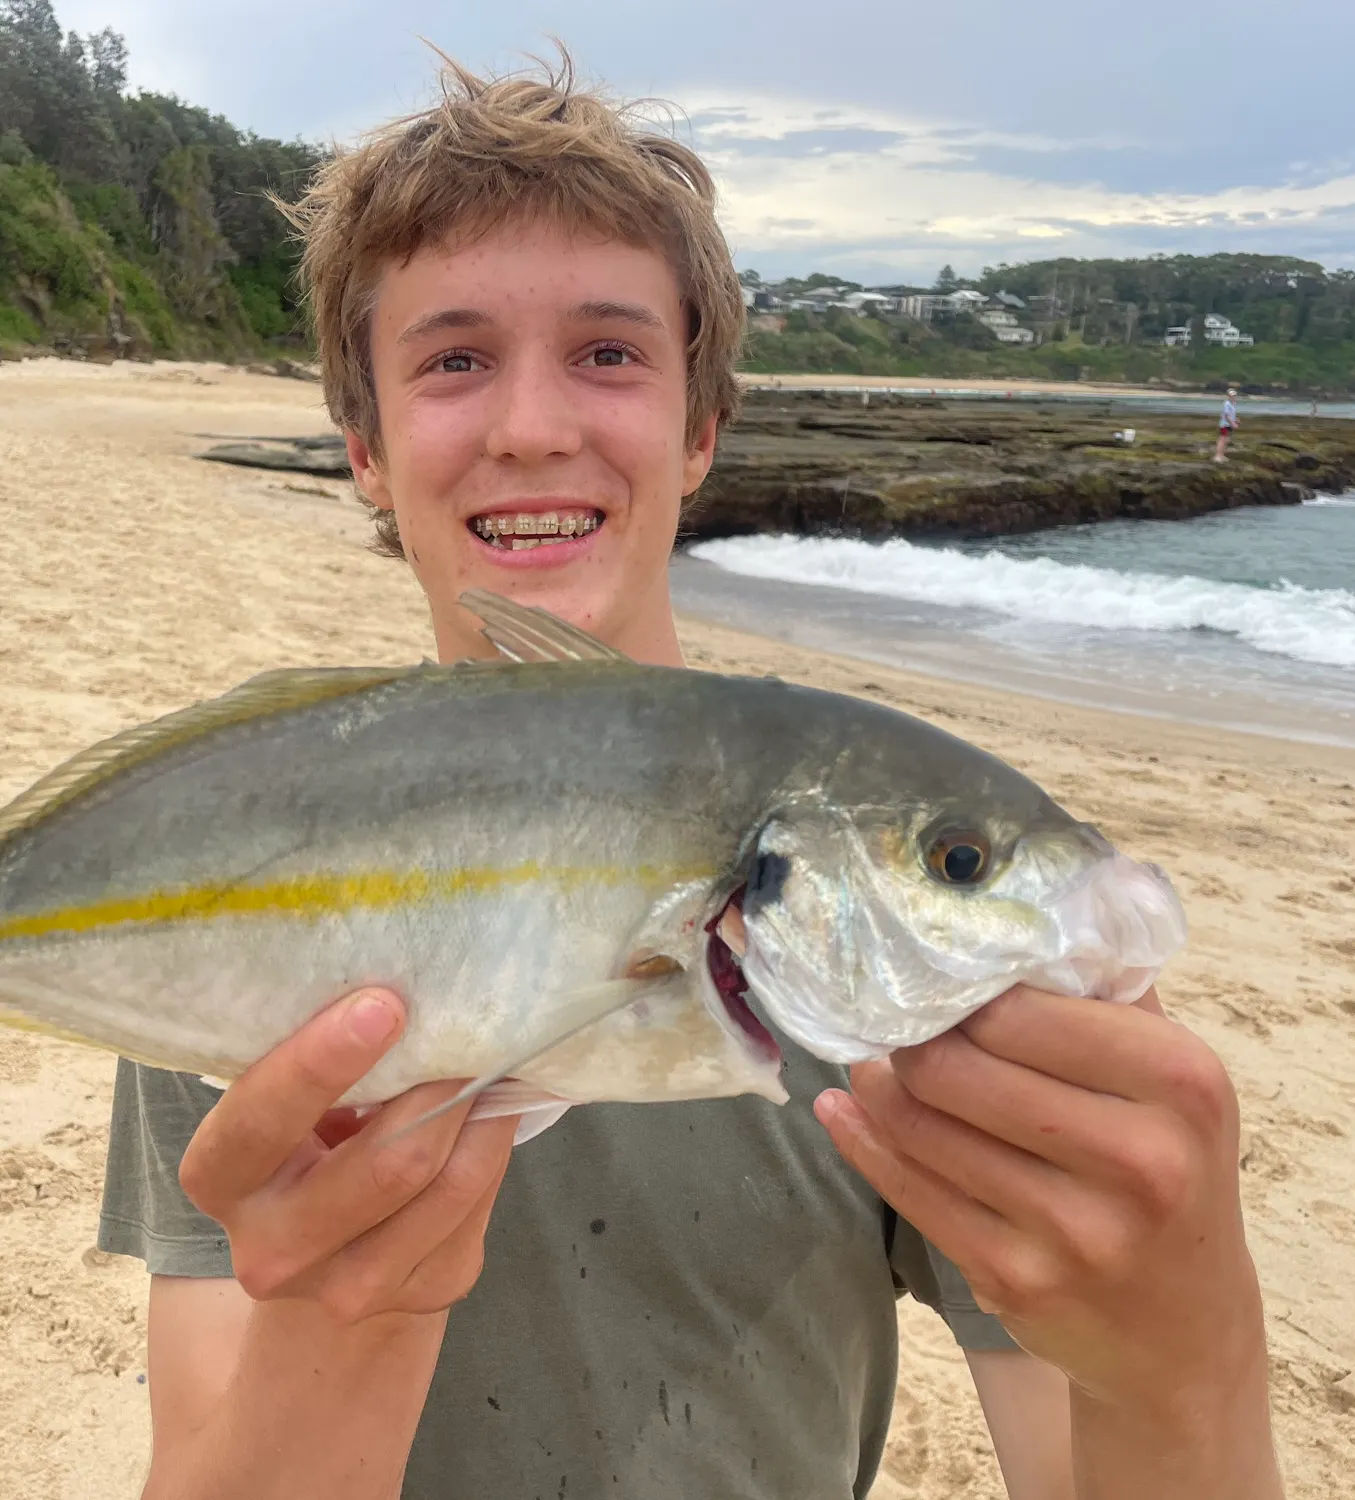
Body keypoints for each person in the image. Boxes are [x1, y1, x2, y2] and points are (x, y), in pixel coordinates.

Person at [99, 55, 1283, 1500]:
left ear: (702, 428)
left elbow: (1083, 1450)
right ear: (363, 445)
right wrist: (358, 1318)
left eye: (609, 352)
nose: (534, 425)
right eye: (454, 358)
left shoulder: (916, 973)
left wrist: (1190, 1360)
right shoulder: (233, 853)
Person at [1216, 386, 1240, 462]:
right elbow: (1226, 415)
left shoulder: (1233, 404)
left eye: (1234, 395)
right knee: (1222, 439)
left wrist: (1236, 420)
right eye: (1232, 396)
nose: (1233, 397)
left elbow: (1231, 415)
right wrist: (1233, 423)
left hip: (1229, 425)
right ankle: (1218, 456)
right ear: (1228, 396)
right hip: (1224, 425)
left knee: (1226, 440)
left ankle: (1222, 455)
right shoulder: (1227, 404)